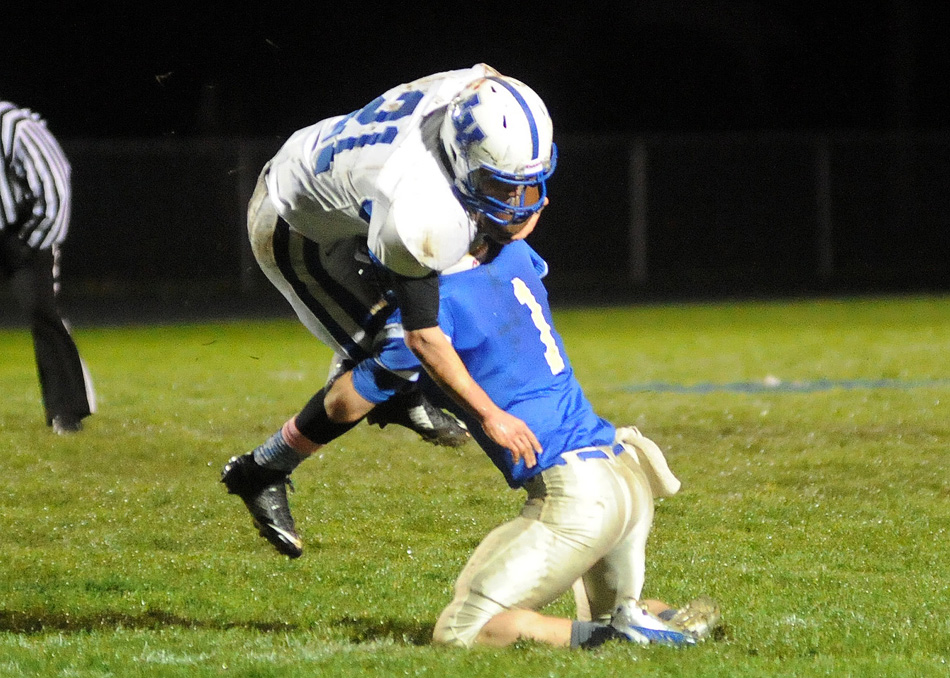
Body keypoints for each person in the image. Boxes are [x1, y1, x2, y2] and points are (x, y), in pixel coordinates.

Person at [221, 64, 557, 558]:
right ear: (462, 159)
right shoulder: (420, 207)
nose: (518, 200)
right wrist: (490, 416)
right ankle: (262, 470)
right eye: (498, 184)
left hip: (351, 191)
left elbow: (490, 80)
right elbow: (424, 337)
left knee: (408, 356)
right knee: (398, 352)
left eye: (523, 184)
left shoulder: (475, 91)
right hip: (299, 227)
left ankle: (398, 398)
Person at [348, 239, 720, 648]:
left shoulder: (428, 319)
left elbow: (345, 401)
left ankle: (633, 635)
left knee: (462, 631)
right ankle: (666, 622)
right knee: (599, 623)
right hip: (623, 473)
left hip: (579, 496)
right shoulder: (516, 259)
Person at [0, 100, 95, 434]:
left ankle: (66, 412)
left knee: (42, 312)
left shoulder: (13, 126)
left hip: (24, 227)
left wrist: (32, 239)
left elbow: (54, 184)